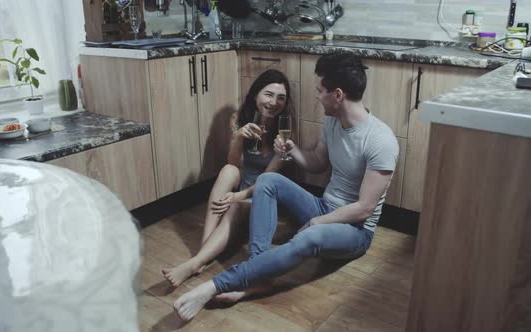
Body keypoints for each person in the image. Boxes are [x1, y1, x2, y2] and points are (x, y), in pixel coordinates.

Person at [173, 52, 400, 321]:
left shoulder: (381, 140)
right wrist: (292, 151)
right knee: (268, 180)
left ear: (337, 95)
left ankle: (216, 285)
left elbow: (364, 209)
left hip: (355, 231)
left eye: (320, 90)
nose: (317, 96)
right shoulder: (333, 121)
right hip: (324, 206)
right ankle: (259, 274)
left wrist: (318, 222)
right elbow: (316, 162)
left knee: (309, 237)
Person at [162, 69, 293, 287]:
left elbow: (268, 180)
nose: (274, 102)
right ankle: (203, 252)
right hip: (240, 184)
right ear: (255, 95)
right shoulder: (239, 118)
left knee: (235, 207)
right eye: (268, 94)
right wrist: (239, 137)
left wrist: (237, 197)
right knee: (227, 171)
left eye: (281, 97)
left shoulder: (284, 133)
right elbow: (233, 164)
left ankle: (195, 262)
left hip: (262, 195)